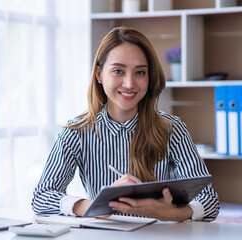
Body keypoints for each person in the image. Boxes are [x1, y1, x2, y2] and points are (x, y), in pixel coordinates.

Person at [31, 26, 219, 222]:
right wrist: (95, 205)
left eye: (140, 72)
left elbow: (210, 202)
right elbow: (42, 197)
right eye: (118, 71)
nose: (129, 83)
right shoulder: (77, 132)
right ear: (99, 75)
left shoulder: (171, 129)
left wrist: (172, 213)